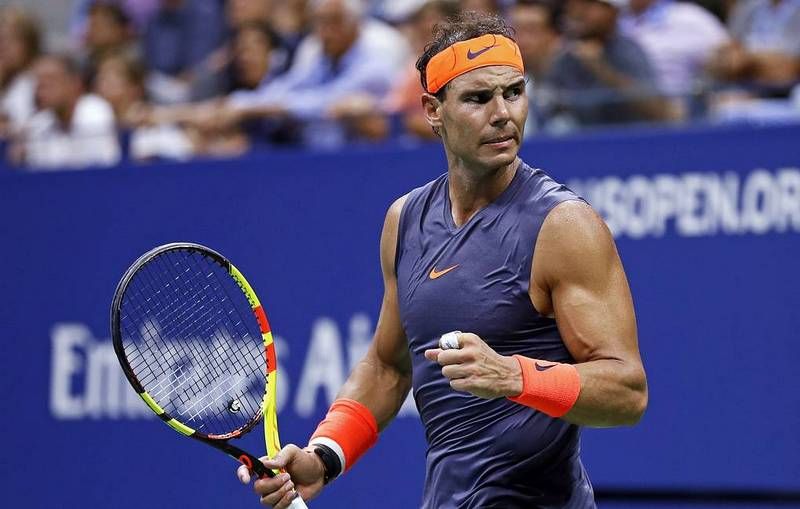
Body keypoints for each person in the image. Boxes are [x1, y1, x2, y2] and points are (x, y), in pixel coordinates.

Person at [237, 11, 648, 509]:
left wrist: (513, 376)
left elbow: (627, 393)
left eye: (514, 92)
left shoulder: (563, 225)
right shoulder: (405, 220)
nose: (503, 113)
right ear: (433, 110)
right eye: (478, 98)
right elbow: (388, 367)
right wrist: (324, 456)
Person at [548, 0, 668, 126]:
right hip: (580, 135)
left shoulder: (627, 51)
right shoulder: (565, 56)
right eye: (574, 6)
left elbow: (661, 112)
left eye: (589, 6)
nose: (579, 13)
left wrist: (600, 68)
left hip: (626, 134)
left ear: (613, 12)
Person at [619, 0, 729, 118]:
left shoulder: (689, 17)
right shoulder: (613, 24)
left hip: (683, 115)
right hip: (618, 114)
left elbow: (730, 58)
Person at [16, 53, 120, 169]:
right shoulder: (38, 124)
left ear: (75, 82)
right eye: (38, 81)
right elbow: (41, 173)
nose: (41, 87)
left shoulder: (95, 110)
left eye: (50, 79)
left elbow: (99, 167)